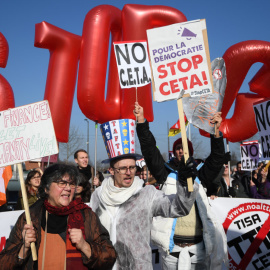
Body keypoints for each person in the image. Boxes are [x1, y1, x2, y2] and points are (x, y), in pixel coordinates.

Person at [90, 119, 198, 270]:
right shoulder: (98, 196)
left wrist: (186, 182)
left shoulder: (146, 193)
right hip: (104, 266)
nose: (129, 172)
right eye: (123, 168)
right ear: (112, 170)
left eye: (132, 167)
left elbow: (179, 207)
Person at [134, 102, 228, 270]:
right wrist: (141, 122)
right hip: (172, 250)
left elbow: (217, 158)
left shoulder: (200, 174)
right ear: (174, 152)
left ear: (190, 151)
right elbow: (150, 151)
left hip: (198, 248)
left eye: (183, 147)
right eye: (177, 148)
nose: (180, 151)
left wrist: (216, 132)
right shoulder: (165, 173)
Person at [0, 163, 116, 269]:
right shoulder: (30, 218)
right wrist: (23, 249)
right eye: (62, 183)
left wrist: (85, 246)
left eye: (71, 184)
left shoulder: (86, 216)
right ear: (46, 188)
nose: (68, 188)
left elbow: (110, 257)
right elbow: (3, 264)